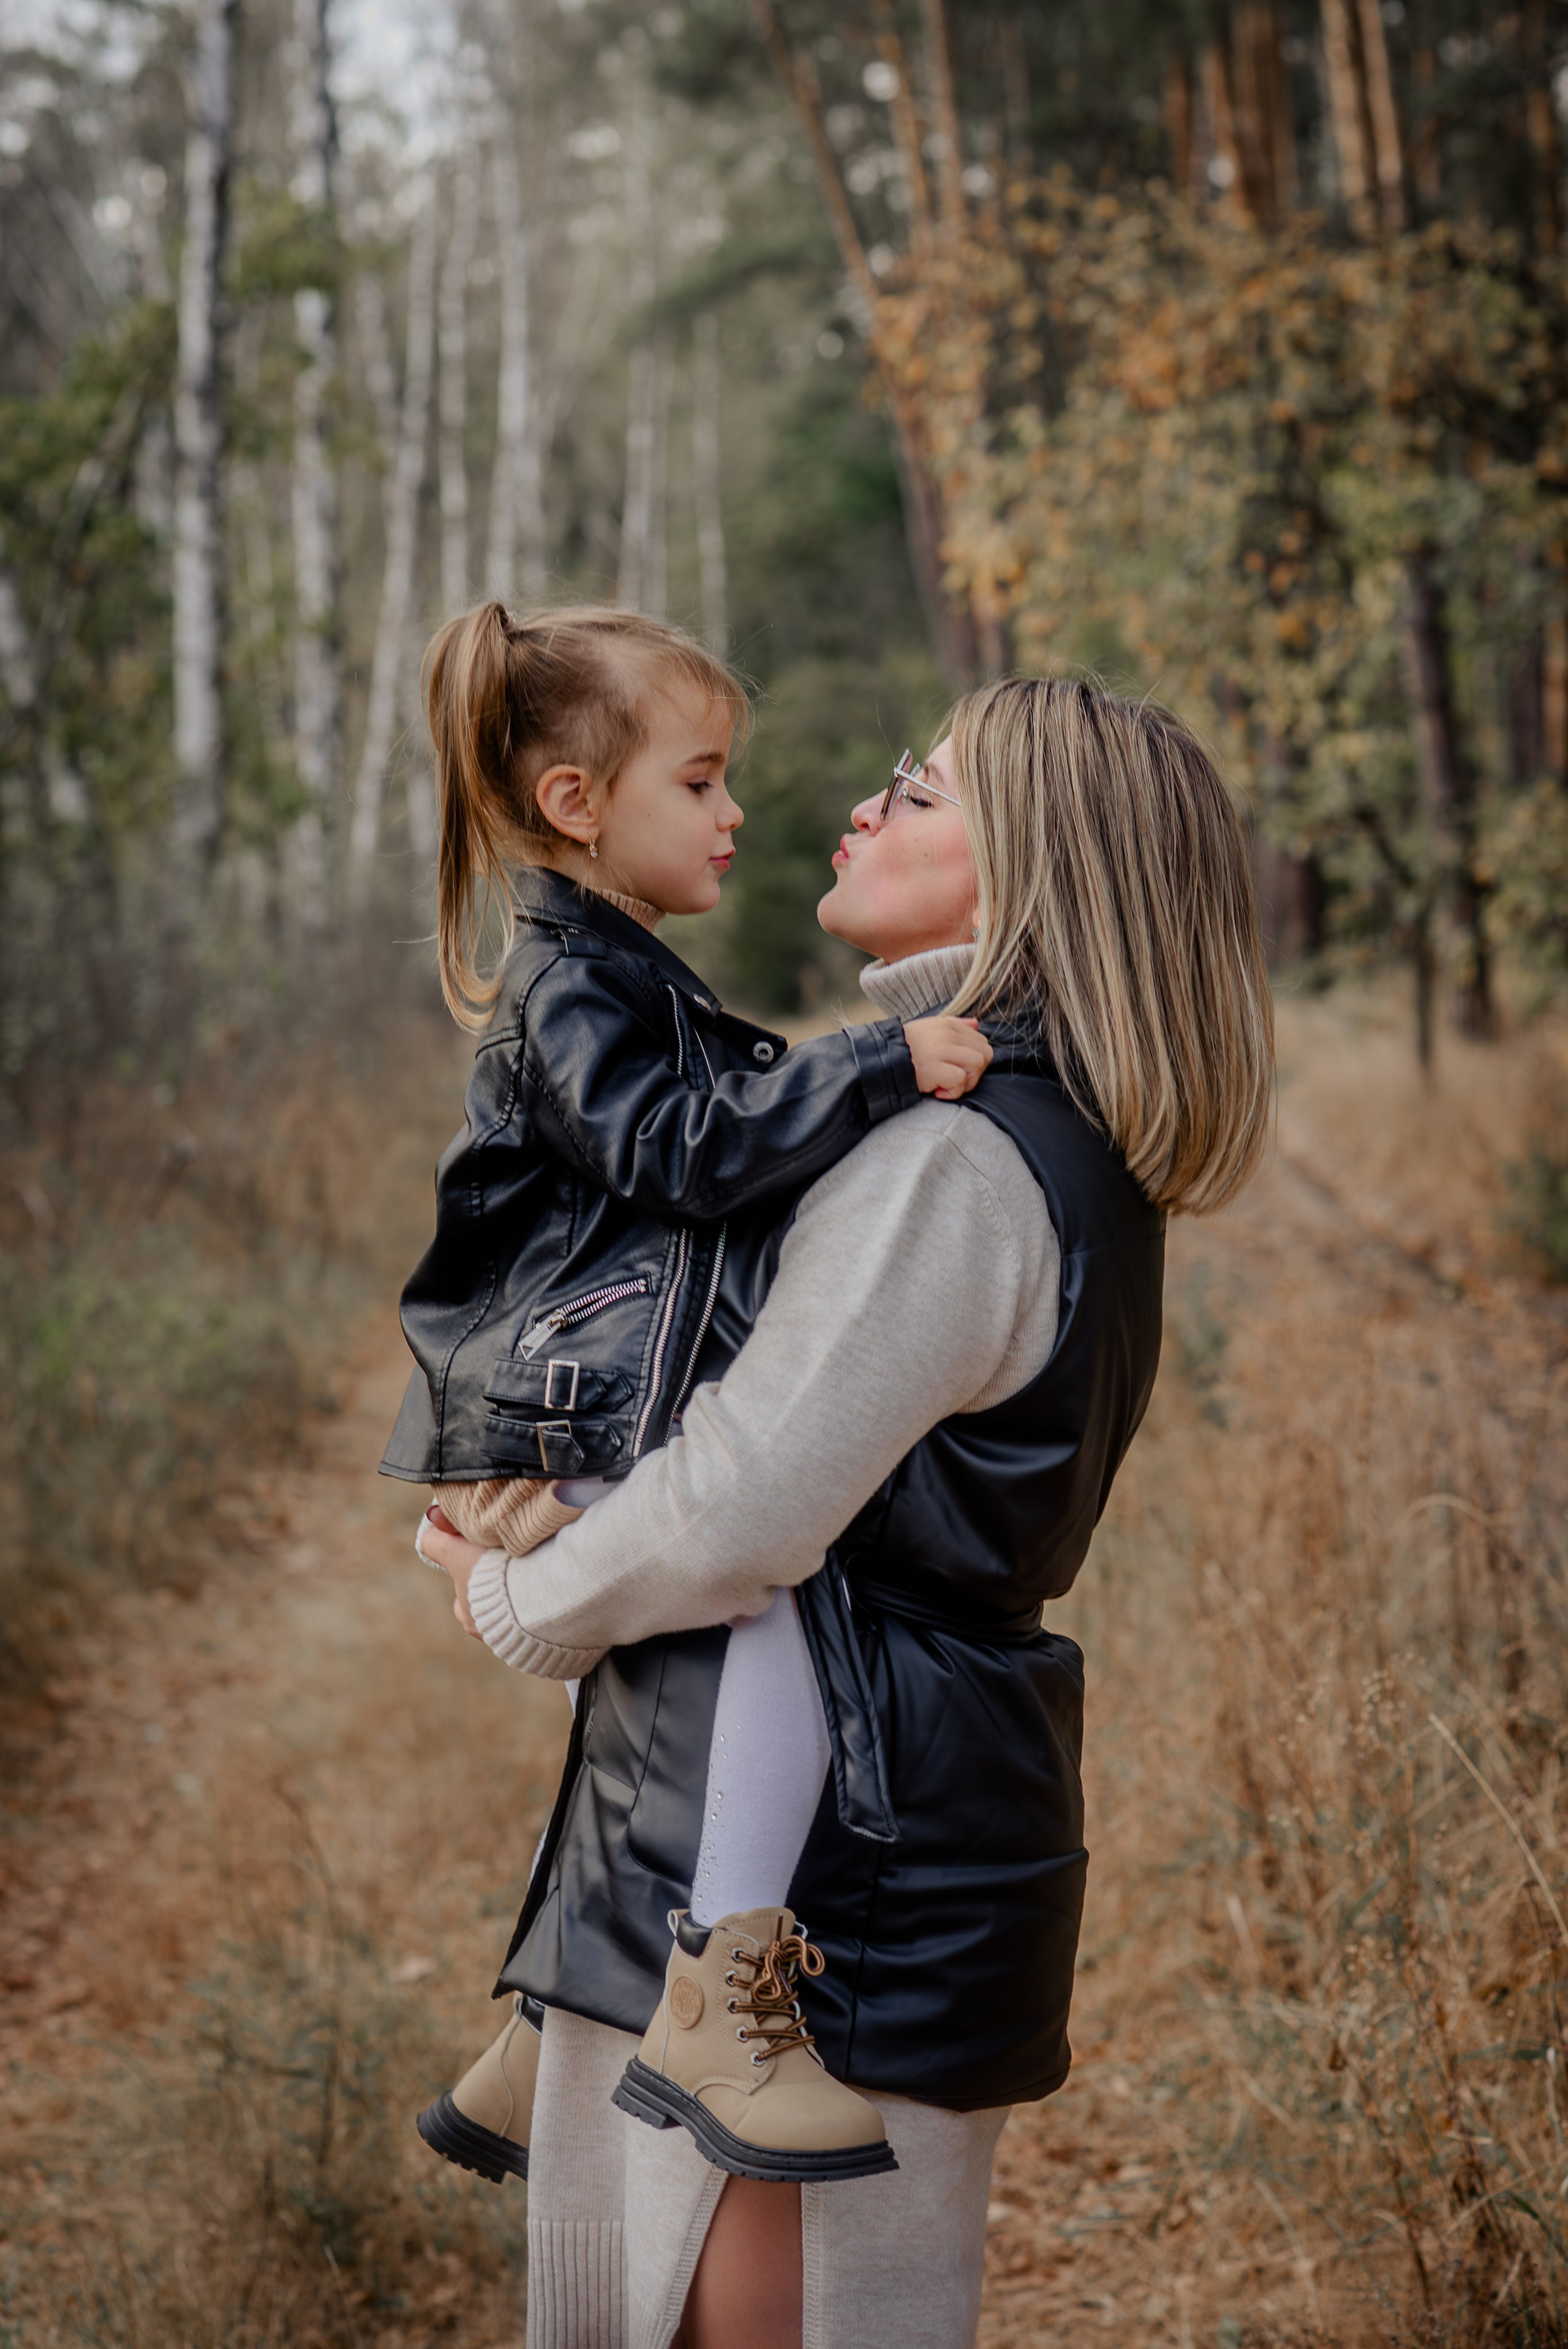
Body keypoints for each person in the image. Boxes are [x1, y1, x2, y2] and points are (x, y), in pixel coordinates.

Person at [420, 674, 1276, 2349]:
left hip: (820, 1880)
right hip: (848, 1818)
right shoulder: (1019, 1129)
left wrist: (522, 1596)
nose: (867, 805)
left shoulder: (953, 1163)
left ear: (1035, 867)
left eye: (923, 790)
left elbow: (748, 1498)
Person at [381, 600, 992, 2192]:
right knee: (753, 1606)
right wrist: (876, 1065)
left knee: (638, 1699)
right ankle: (723, 1986)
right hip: (562, 1399)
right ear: (582, 805)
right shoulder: (573, 987)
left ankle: (550, 2021)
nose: (734, 814)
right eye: (703, 782)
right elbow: (687, 1153)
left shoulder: (613, 968)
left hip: (573, 1384)